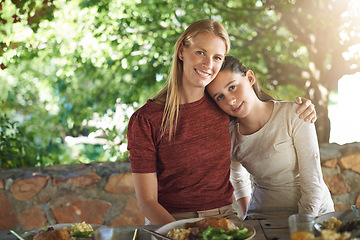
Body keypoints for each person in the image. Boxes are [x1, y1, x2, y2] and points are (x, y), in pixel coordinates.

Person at [127, 19, 317, 225]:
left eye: (217, 57)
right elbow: (147, 202)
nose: (208, 64)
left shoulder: (222, 106)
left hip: (225, 218)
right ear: (182, 51)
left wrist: (303, 107)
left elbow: (263, 115)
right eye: (201, 52)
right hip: (172, 221)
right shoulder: (146, 119)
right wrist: (179, 235)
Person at [206, 55, 334, 220]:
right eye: (220, 97)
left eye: (232, 87)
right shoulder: (230, 136)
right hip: (263, 219)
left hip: (314, 216)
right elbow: (237, 178)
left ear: (250, 78)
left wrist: (302, 227)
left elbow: (313, 184)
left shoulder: (295, 114)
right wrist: (247, 219)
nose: (230, 100)